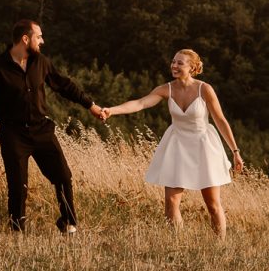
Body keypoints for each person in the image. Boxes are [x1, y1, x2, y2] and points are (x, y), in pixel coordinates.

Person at [0, 19, 106, 233]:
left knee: (63, 176)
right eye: (39, 37)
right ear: (25, 39)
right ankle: (17, 230)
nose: (42, 41)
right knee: (18, 186)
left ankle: (68, 223)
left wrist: (90, 105)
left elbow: (64, 86)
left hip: (42, 129)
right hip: (13, 133)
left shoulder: (41, 62)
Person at [102, 49, 243, 238]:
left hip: (203, 147)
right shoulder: (166, 89)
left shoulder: (204, 89)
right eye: (173, 62)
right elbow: (140, 103)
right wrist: (112, 110)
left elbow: (220, 120)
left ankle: (220, 246)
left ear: (192, 67)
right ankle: (178, 243)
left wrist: (235, 151)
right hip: (178, 147)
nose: (174, 66)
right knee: (171, 202)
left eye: (180, 63)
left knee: (212, 205)